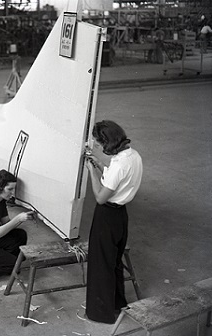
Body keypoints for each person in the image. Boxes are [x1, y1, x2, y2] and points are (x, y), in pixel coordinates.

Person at [84, 120, 143, 324]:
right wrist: (100, 166)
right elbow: (118, 180)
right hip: (121, 216)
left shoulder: (118, 164)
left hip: (107, 215)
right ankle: (118, 303)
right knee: (114, 261)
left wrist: (91, 172)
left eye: (100, 144)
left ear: (108, 141)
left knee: (100, 263)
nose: (99, 147)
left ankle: (100, 314)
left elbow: (100, 197)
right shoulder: (133, 155)